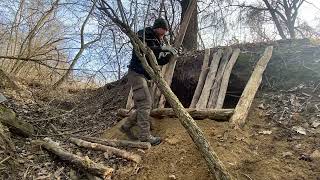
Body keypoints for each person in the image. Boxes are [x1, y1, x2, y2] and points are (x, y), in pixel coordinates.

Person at [120, 18, 177, 146]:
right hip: (136, 73)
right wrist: (163, 48)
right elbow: (146, 49)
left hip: (145, 75)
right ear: (158, 27)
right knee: (145, 103)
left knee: (147, 105)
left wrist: (169, 54)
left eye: (166, 31)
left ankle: (126, 126)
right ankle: (144, 136)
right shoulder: (144, 33)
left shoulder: (158, 40)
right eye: (164, 29)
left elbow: (158, 61)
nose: (165, 33)